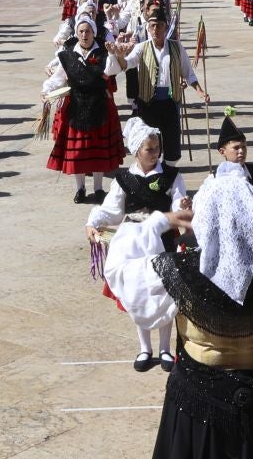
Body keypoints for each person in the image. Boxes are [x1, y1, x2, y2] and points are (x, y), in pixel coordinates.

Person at [100, 166, 253, 458]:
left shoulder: (178, 270)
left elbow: (119, 269)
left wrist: (160, 222)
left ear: (204, 219)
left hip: (200, 407)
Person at [87, 116, 189, 371]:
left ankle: (165, 349)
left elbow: (178, 207)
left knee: (164, 291)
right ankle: (145, 348)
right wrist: (93, 221)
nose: (155, 153)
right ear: (136, 151)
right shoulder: (123, 180)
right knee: (138, 291)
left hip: (162, 239)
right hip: (133, 244)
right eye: (149, 149)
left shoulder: (172, 176)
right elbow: (111, 210)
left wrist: (184, 208)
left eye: (157, 148)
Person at [42, 13, 124, 205]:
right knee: (77, 152)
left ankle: (98, 188)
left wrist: (112, 53)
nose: (84, 34)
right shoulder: (67, 54)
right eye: (81, 31)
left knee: (98, 151)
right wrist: (46, 90)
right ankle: (80, 188)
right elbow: (59, 77)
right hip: (76, 105)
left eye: (87, 31)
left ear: (94, 33)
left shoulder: (103, 52)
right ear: (77, 33)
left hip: (99, 105)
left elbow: (112, 71)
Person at [120, 7, 206, 161]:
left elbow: (188, 73)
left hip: (170, 102)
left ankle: (169, 175)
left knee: (171, 144)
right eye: (152, 25)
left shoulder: (176, 47)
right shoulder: (141, 48)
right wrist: (118, 55)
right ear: (148, 27)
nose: (155, 29)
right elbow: (127, 64)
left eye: (159, 25)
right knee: (150, 144)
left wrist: (200, 91)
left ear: (166, 27)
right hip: (148, 104)